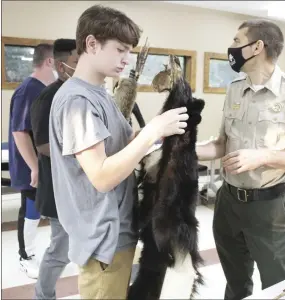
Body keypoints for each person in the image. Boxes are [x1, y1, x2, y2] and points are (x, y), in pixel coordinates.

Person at [48, 5, 188, 299]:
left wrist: (170, 141)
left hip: (117, 234)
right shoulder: (78, 102)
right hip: (103, 241)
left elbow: (123, 147)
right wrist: (152, 131)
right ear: (91, 43)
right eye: (120, 49)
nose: (127, 59)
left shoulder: (101, 95)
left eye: (130, 51)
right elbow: (100, 176)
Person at [196, 19, 285, 300]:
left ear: (257, 47)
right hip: (228, 203)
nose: (231, 48)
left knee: (277, 286)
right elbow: (221, 145)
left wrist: (262, 156)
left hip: (270, 209)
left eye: (236, 40)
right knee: (236, 284)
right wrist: (181, 148)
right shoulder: (234, 88)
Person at [30, 38, 79, 299]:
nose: (81, 67)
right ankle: (43, 294)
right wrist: (81, 153)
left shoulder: (78, 94)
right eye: (75, 62)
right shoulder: (48, 98)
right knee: (60, 250)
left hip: (79, 188)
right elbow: (43, 145)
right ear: (61, 66)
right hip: (57, 189)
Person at [8, 43, 55, 279]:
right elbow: (20, 132)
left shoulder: (44, 89)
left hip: (43, 164)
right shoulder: (29, 90)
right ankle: (25, 256)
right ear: (49, 62)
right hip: (30, 167)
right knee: (30, 210)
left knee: (41, 210)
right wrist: (34, 167)